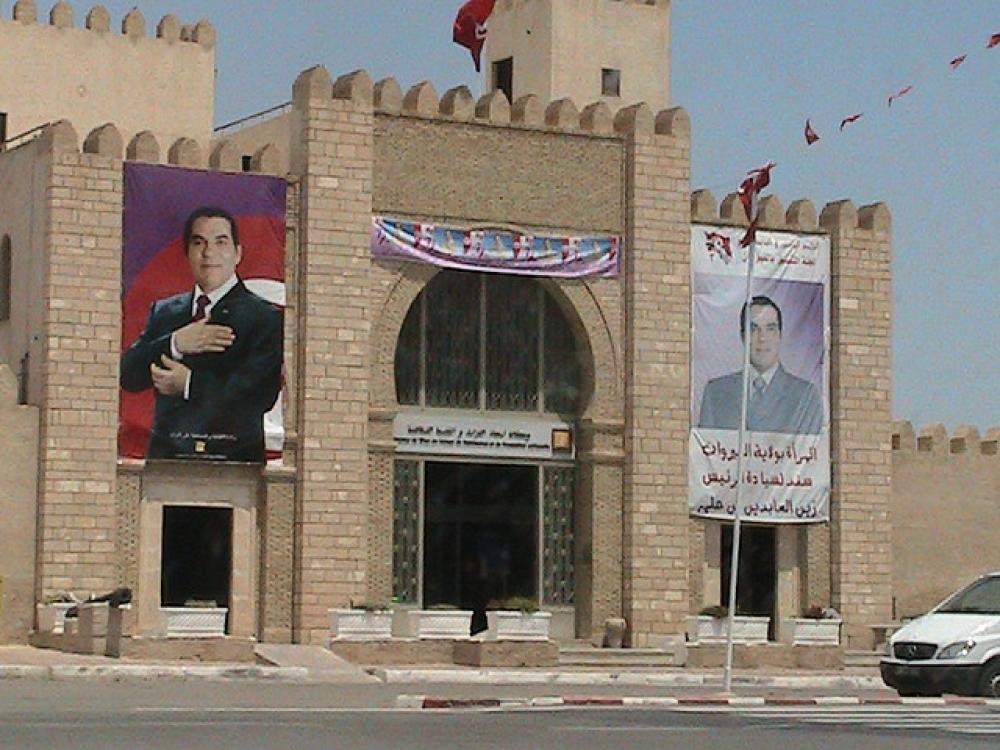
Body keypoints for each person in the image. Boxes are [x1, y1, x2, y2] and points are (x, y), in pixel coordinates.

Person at [121, 207, 282, 462]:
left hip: (233, 464)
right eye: (199, 243)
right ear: (187, 253)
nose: (209, 253)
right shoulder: (165, 311)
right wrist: (175, 342)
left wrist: (188, 383)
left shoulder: (264, 316)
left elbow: (260, 394)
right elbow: (128, 374)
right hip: (167, 462)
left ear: (238, 253)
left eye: (220, 242)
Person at [698, 295, 822, 434]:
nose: (762, 338)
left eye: (770, 329)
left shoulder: (805, 396)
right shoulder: (716, 393)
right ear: (742, 336)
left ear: (780, 335)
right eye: (753, 329)